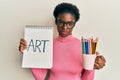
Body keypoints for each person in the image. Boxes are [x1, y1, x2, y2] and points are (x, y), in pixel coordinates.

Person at [19, 3, 106, 80]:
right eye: (61, 22)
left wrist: (93, 66)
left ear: (74, 24)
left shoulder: (84, 47)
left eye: (69, 23)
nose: (65, 27)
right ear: (56, 21)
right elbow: (40, 77)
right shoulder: (47, 45)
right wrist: (29, 54)